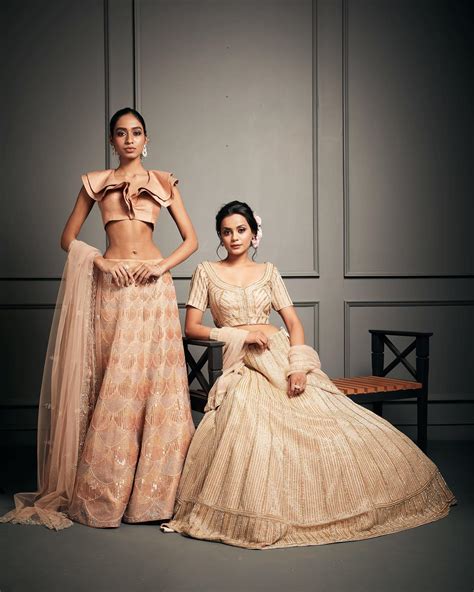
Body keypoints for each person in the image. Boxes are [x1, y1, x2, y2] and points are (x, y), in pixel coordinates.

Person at [165, 200, 456, 549]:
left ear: (254, 234)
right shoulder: (206, 272)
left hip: (279, 353)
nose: (234, 237)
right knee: (254, 423)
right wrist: (241, 335)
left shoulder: (269, 272)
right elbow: (193, 328)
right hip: (240, 360)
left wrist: (297, 367)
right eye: (226, 232)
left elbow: (294, 325)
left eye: (241, 230)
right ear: (220, 237)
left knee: (330, 420)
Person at [1, 108, 197, 529]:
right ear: (112, 141)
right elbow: (67, 238)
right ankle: (109, 489)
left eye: (137, 132)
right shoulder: (96, 183)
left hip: (153, 290)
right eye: (121, 133)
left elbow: (191, 239)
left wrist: (161, 267)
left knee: (155, 384)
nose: (130, 139)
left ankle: (154, 496)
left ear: (147, 139)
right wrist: (101, 263)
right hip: (112, 288)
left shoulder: (164, 182)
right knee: (114, 380)